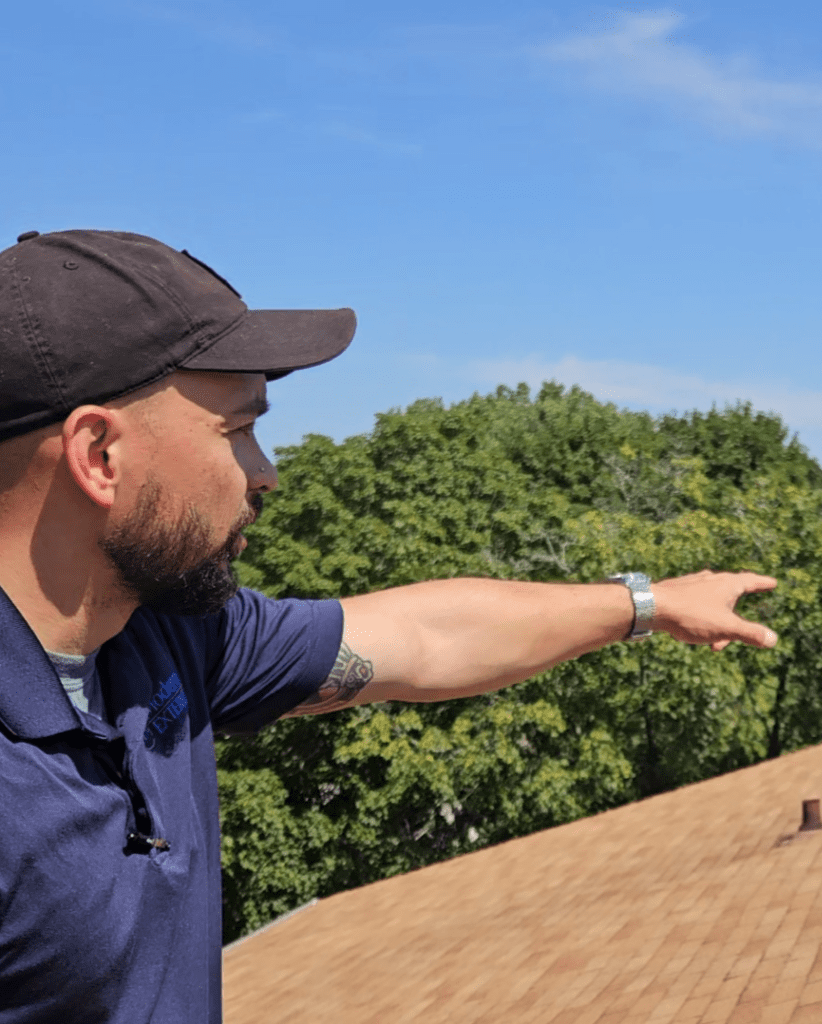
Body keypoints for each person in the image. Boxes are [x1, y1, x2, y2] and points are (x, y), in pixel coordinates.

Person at [0, 229, 778, 1023]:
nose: (265, 473)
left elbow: (423, 638)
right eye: (236, 430)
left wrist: (648, 604)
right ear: (98, 453)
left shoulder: (162, 635)